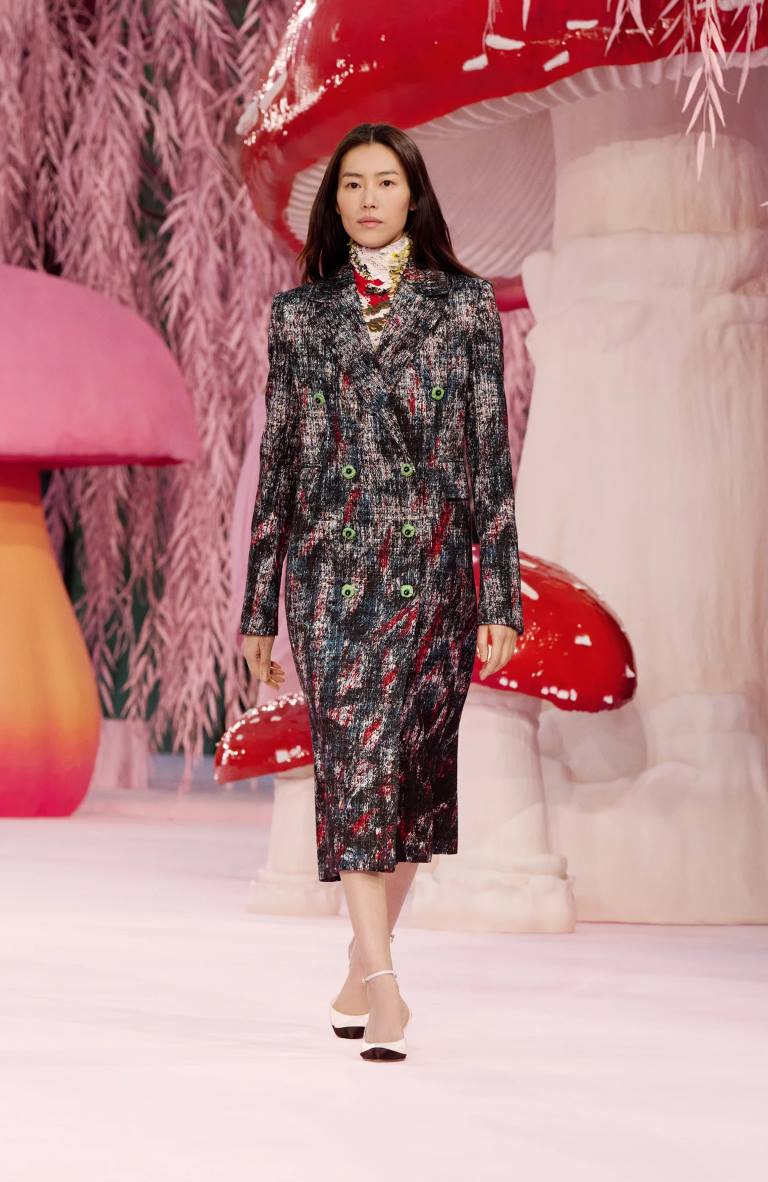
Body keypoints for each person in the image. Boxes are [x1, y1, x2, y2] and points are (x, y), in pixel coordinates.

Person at [239, 123, 524, 1063]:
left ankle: (361, 964)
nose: (368, 198)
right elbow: (278, 466)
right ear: (335, 202)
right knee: (356, 768)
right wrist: (259, 608)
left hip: (435, 578)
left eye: (385, 182)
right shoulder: (299, 317)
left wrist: (500, 597)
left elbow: (490, 461)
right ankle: (388, 992)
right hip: (331, 577)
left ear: (414, 196)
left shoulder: (465, 306)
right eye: (352, 184)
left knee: (410, 786)